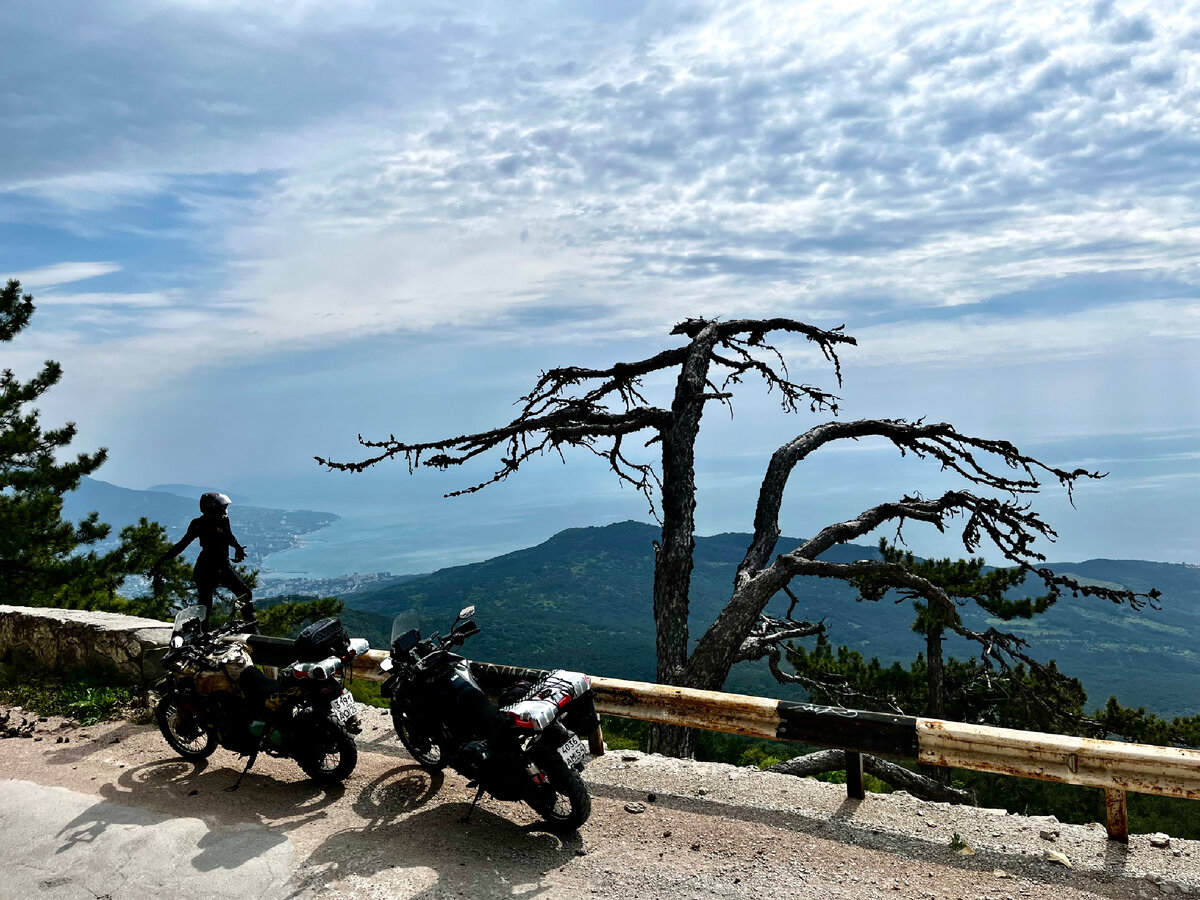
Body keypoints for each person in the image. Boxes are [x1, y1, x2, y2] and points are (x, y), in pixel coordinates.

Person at [153, 491, 257, 631]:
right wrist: (161, 561)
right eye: (221, 508)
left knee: (245, 593)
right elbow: (181, 545)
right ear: (211, 509)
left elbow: (228, 536)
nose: (224, 510)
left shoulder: (223, 519)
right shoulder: (198, 524)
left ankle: (251, 628)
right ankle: (203, 635)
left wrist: (237, 547)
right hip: (205, 569)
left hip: (223, 566)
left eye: (224, 507)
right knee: (205, 606)